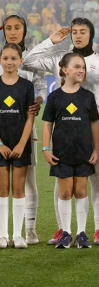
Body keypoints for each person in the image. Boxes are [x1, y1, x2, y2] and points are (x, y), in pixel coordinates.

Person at [24, 18, 99, 246]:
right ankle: (63, 229)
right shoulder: (60, 58)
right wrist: (51, 41)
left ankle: (98, 229)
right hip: (63, 130)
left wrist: (91, 111)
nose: (77, 35)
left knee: (95, 177)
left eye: (82, 32)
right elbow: (28, 62)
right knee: (62, 177)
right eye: (74, 32)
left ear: (91, 35)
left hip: (92, 129)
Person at [41, 53, 99, 249]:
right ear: (65, 70)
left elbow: (94, 124)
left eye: (83, 67)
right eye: (76, 66)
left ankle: (81, 233)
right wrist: (45, 149)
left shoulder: (88, 97)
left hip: (83, 153)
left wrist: (96, 149)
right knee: (65, 193)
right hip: (62, 154)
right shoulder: (55, 97)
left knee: (81, 191)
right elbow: (47, 124)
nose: (81, 70)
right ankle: (66, 233)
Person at [1, 15, 46, 245]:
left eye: (17, 27)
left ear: (24, 30)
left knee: (28, 180)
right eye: (8, 28)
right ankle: (3, 232)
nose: (12, 31)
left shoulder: (33, 59)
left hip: (25, 129)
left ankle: (29, 228)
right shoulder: (2, 57)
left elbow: (41, 88)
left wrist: (38, 100)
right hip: (2, 132)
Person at [0, 43, 36, 249]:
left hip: (21, 144)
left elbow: (30, 117)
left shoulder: (26, 86)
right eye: (6, 58)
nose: (10, 62)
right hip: (1, 146)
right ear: (0, 60)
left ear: (20, 61)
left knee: (18, 188)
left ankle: (18, 234)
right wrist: (0, 144)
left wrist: (22, 144)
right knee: (3, 189)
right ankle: (3, 234)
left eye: (14, 58)